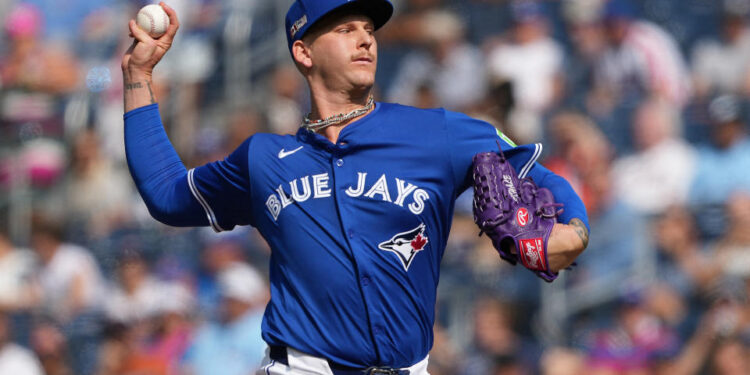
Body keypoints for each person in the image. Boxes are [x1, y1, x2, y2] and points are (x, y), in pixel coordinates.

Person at [121, 1, 589, 373]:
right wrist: (138, 78)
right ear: (303, 51)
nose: (365, 37)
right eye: (344, 28)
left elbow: (539, 175)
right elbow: (167, 194)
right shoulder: (263, 158)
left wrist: (575, 231)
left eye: (368, 28)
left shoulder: (437, 133)